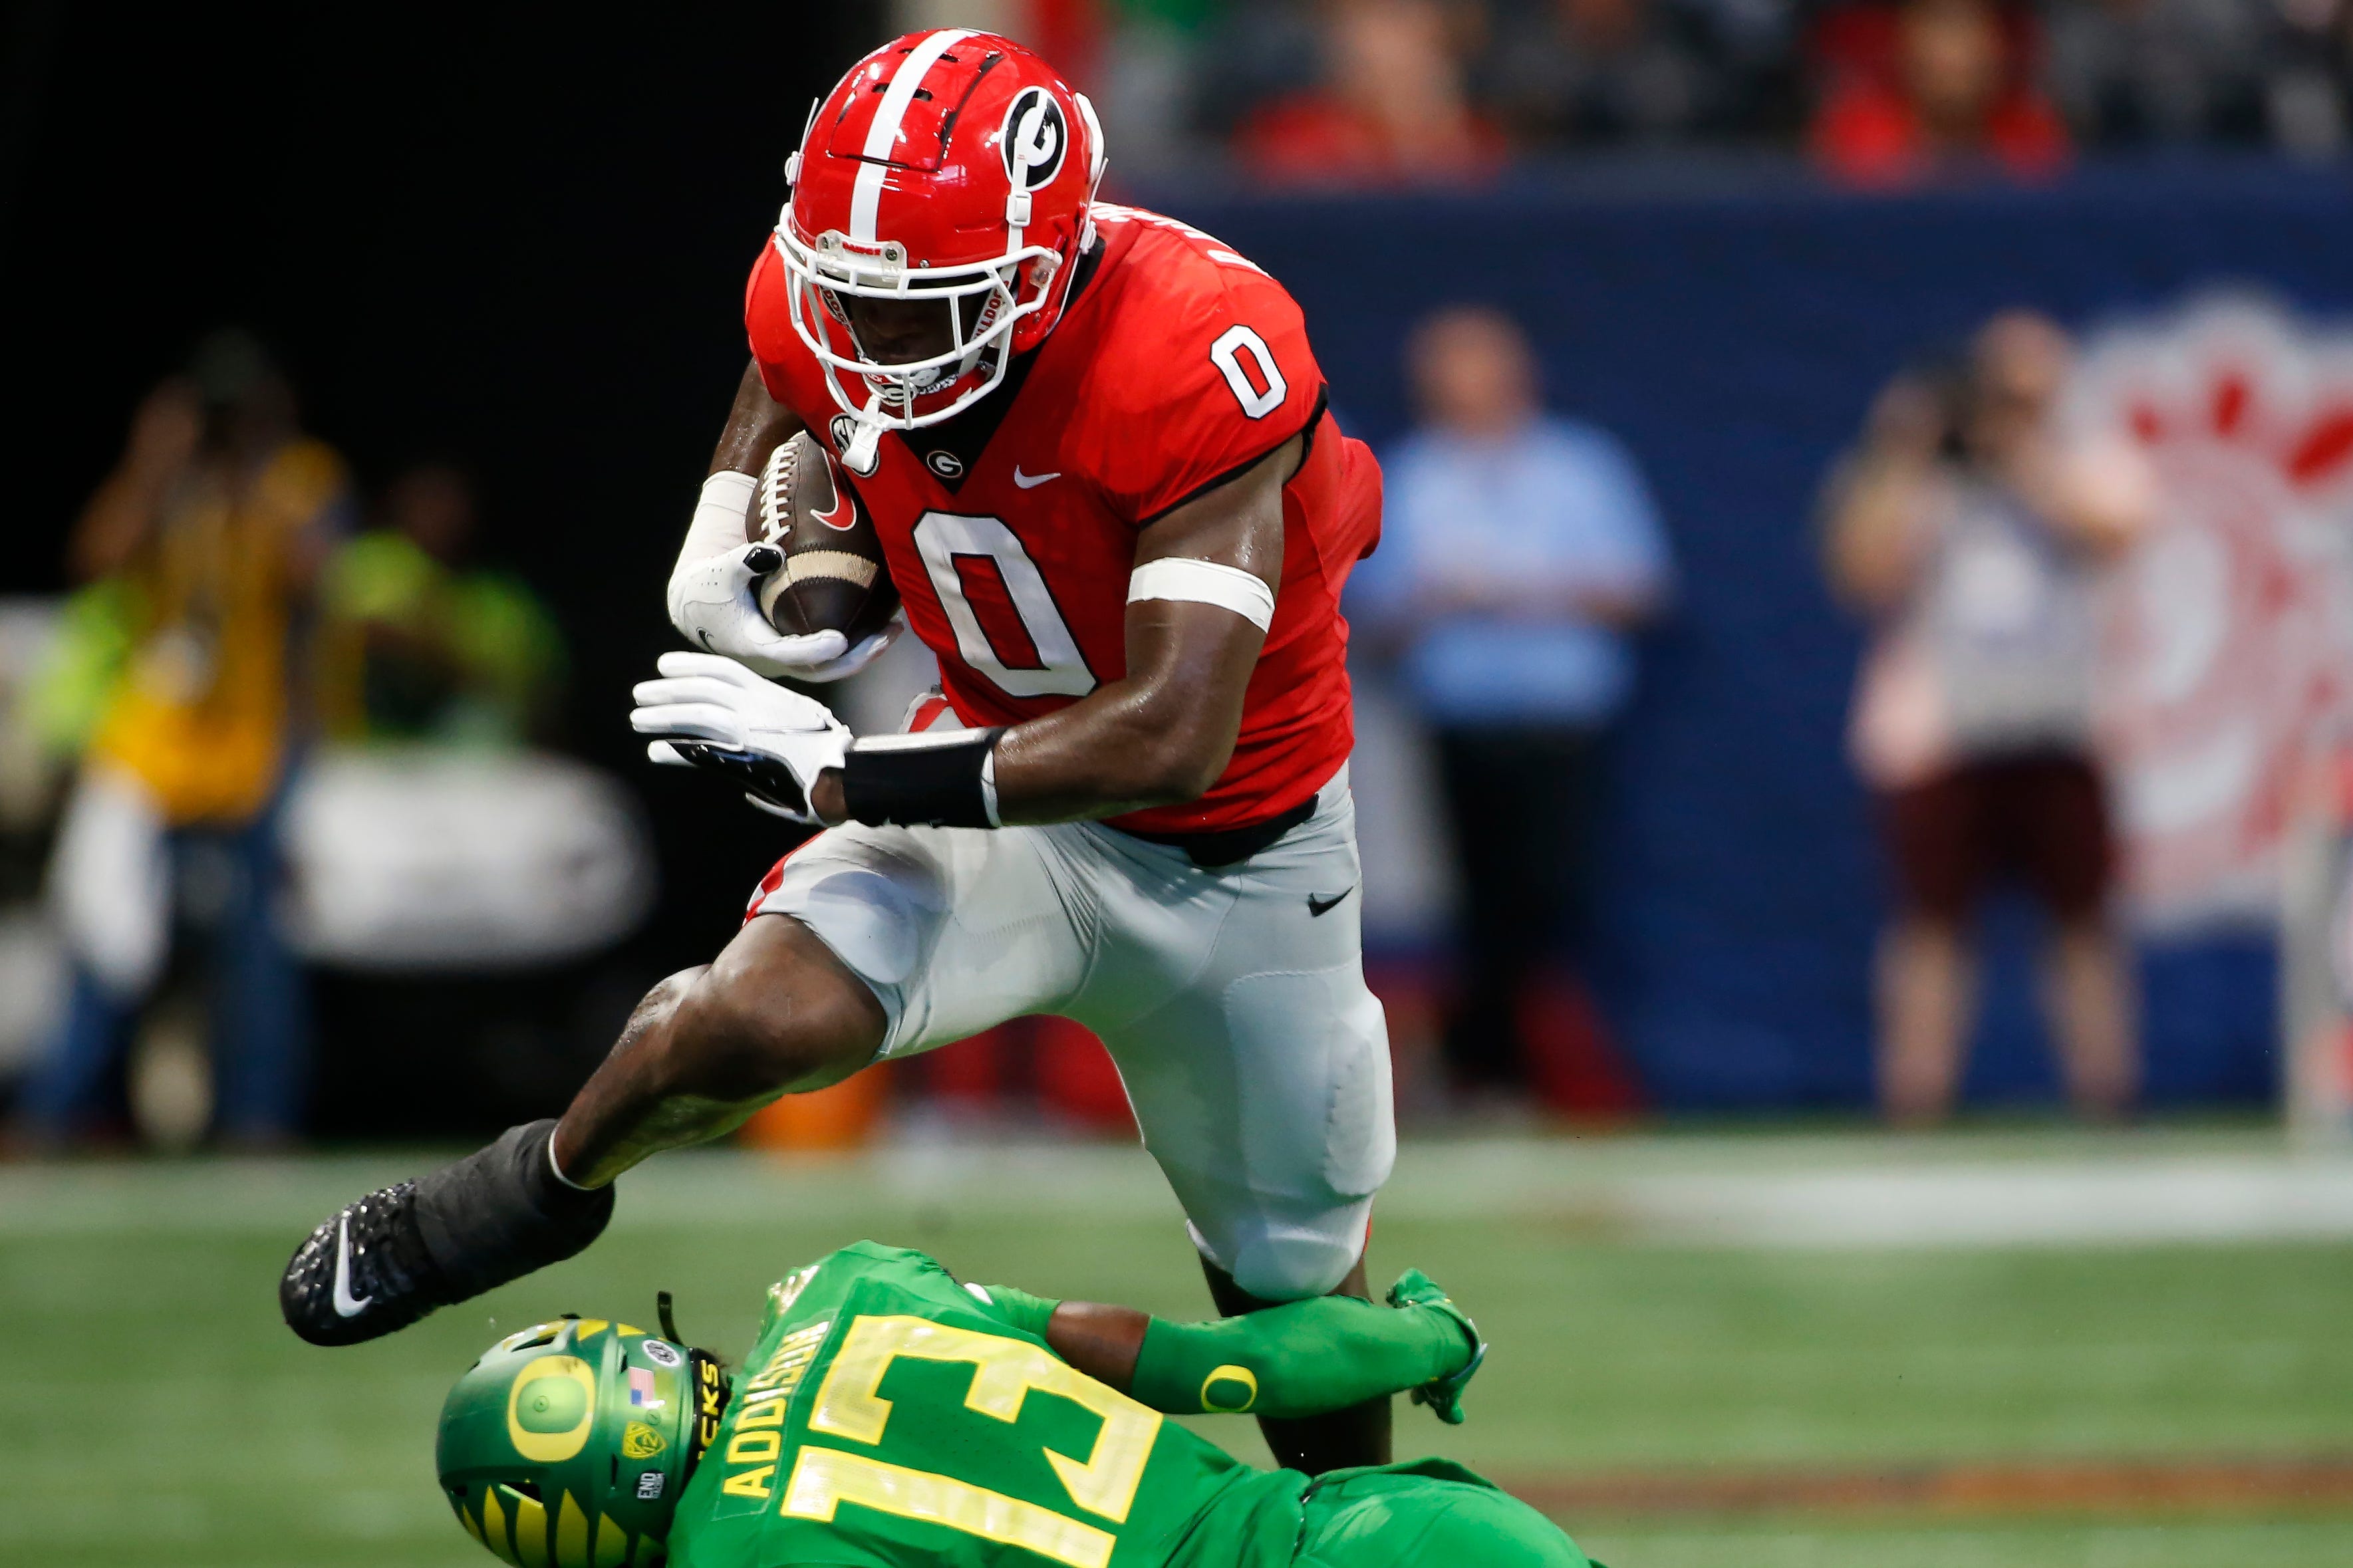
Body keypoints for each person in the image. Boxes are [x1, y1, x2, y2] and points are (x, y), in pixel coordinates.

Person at [284, 29, 1397, 1477]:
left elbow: (1171, 737)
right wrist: (724, 514)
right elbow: (785, 352)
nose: (877, 350)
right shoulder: (821, 288)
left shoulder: (1197, 352)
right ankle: (532, 1190)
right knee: (741, 1021)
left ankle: (1353, 1527)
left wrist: (837, 780)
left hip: (1237, 859)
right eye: (857, 302)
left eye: (923, 311)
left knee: (1295, 1305)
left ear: (1045, 267)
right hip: (1003, 786)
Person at [431, 1240, 1593, 1568]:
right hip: (1420, 1530)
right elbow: (1232, 1368)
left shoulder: (735, 1547)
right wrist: (1430, 1333)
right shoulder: (848, 1286)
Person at [11, 330, 347, 1150]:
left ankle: (257, 1122)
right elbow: (97, 559)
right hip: (155, 743)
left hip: (254, 744)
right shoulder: (170, 485)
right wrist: (154, 460)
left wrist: (252, 483)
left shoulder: (298, 478)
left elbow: (315, 576)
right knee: (108, 928)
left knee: (257, 948)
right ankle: (58, 1113)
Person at [1824, 311, 2151, 1126]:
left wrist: (2018, 453)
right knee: (1930, 927)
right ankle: (1916, 1101)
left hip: (2061, 723)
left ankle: (2105, 1096)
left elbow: (2106, 529)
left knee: (2082, 926)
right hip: (1941, 734)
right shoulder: (1924, 478)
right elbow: (1859, 572)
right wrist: (1903, 452)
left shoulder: (2086, 458)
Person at [1351, 306, 1669, 1100]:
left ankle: (1562, 1070)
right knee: (1464, 901)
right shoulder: (1410, 473)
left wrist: (1533, 588)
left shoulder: (1580, 466)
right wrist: (1435, 599)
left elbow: (1640, 586)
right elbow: (1369, 611)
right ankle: (1483, 1072)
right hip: (1453, 723)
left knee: (1555, 895)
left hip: (1561, 721)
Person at [323, 463, 565, 747]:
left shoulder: (502, 598)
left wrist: (441, 654)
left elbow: (534, 690)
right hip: (362, 750)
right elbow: (339, 633)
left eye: (451, 505)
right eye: (426, 502)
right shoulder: (368, 559)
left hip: (467, 761)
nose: (440, 517)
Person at [1809, 0, 2070, 187]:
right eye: (1939, 26)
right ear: (1903, 42)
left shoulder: (2031, 131)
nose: (1956, 53)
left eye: (1971, 27)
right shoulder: (1856, 132)